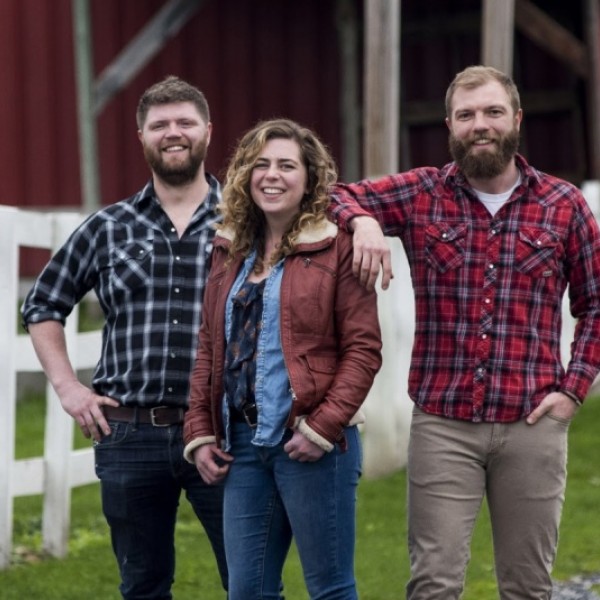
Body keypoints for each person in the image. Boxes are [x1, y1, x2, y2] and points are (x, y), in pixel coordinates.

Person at [329, 65, 600, 599]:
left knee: (527, 586)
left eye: (493, 112)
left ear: (516, 119)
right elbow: (332, 193)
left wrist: (574, 390)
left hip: (532, 423)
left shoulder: (564, 204)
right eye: (467, 114)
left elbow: (595, 304)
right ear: (450, 126)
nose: (481, 124)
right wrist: (362, 220)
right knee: (433, 584)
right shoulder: (421, 193)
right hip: (443, 426)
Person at [21, 76, 228, 599]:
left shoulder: (245, 219)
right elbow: (43, 304)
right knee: (141, 585)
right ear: (142, 136)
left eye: (185, 122)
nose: (173, 133)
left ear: (207, 130)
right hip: (130, 436)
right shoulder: (108, 226)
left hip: (224, 431)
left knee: (249, 581)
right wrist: (69, 387)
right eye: (160, 125)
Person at [182, 118, 382, 600]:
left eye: (287, 166)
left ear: (310, 179)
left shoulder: (339, 248)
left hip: (312, 442)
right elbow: (211, 344)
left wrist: (324, 427)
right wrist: (199, 431)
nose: (271, 175)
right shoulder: (229, 250)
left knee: (330, 588)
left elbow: (364, 349)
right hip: (243, 446)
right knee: (246, 591)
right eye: (261, 164)